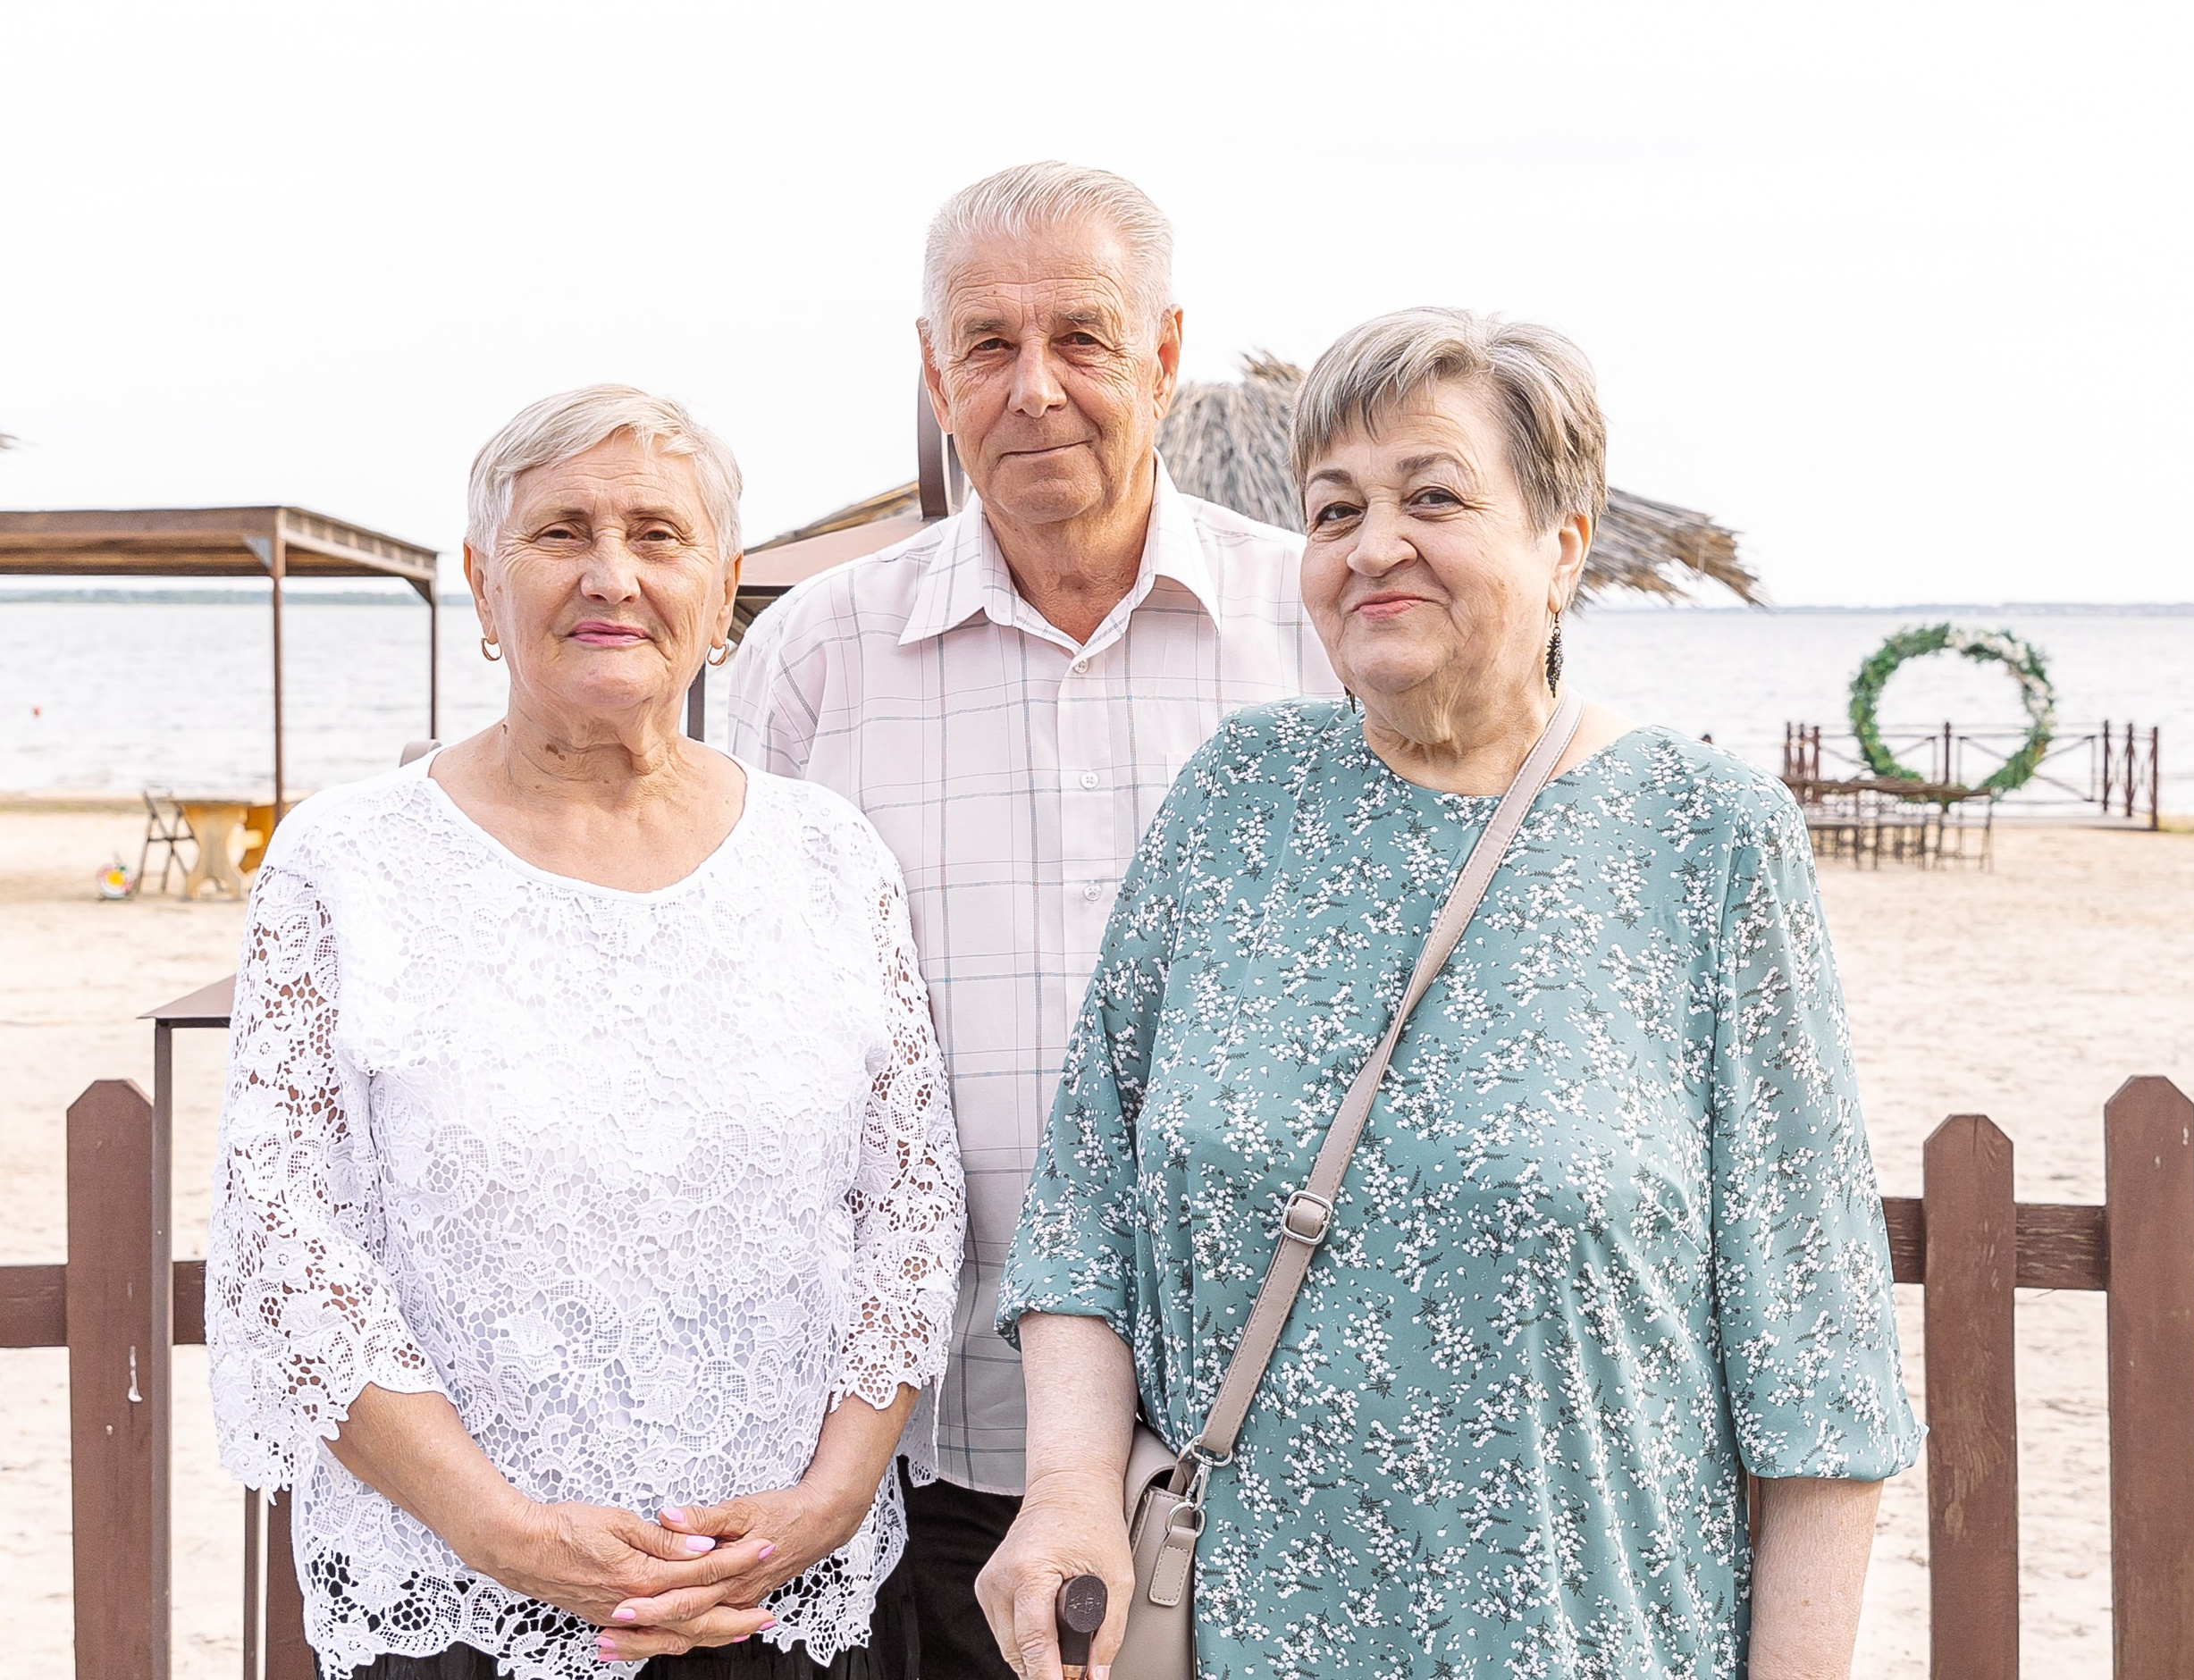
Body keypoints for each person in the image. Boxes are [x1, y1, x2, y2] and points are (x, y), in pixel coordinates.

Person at [984, 309, 1921, 1679]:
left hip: (1587, 1635)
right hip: (1242, 1641)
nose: (1373, 547)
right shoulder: (1235, 801)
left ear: (1563, 545)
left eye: (1433, 497)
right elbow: (1086, 1205)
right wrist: (1071, 1492)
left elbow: (1815, 1356)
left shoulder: (1706, 836)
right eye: (1334, 510)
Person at [206, 385, 965, 1680]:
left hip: (781, 1600)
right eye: (561, 532)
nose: (610, 576)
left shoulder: (830, 857)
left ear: (723, 590)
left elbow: (912, 1202)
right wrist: (505, 1535)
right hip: (456, 1608)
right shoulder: (349, 864)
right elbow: (287, 1245)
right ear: (481, 583)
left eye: (658, 537)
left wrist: (829, 1501)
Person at [725, 163, 1340, 1673]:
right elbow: (741, 1025)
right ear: (933, 371)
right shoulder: (815, 659)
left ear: (1168, 354)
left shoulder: (1318, 633)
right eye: (988, 346)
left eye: (1083, 336)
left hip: (1266, 1435)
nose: (1036, 388)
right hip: (921, 1435)